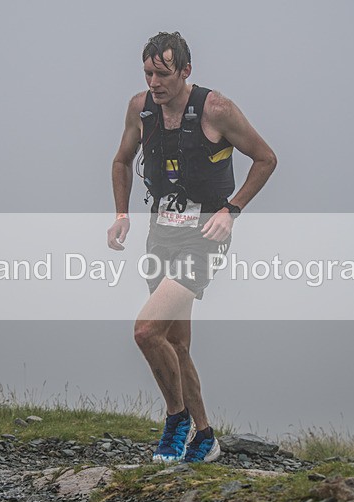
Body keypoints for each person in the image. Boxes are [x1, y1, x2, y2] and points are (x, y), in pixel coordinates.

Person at [107, 32, 276, 463]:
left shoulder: (216, 109)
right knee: (175, 343)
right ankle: (205, 437)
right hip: (160, 234)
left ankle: (176, 418)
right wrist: (122, 214)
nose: (154, 83)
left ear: (185, 71)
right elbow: (121, 160)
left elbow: (266, 158)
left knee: (146, 331)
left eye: (163, 74)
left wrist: (232, 209)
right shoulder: (140, 108)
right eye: (148, 73)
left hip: (204, 238)